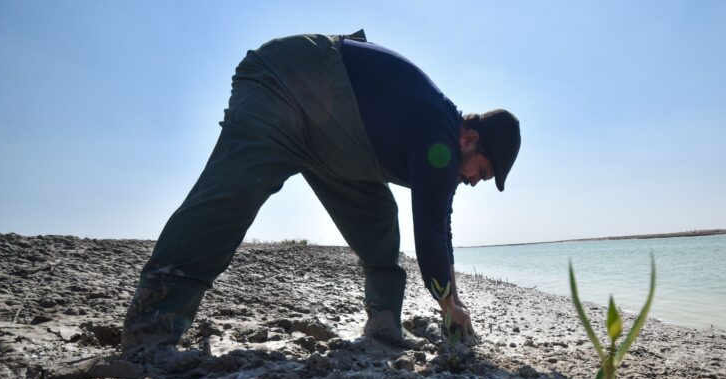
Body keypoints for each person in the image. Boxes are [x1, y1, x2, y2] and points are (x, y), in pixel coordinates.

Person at [121, 30, 521, 350]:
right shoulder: (439, 138)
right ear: (469, 139)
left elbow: (441, 228)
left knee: (377, 219)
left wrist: (456, 301)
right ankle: (152, 327)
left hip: (334, 137)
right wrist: (449, 306)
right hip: (284, 85)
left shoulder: (440, 137)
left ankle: (383, 327)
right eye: (482, 173)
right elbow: (431, 228)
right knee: (232, 196)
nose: (472, 182)